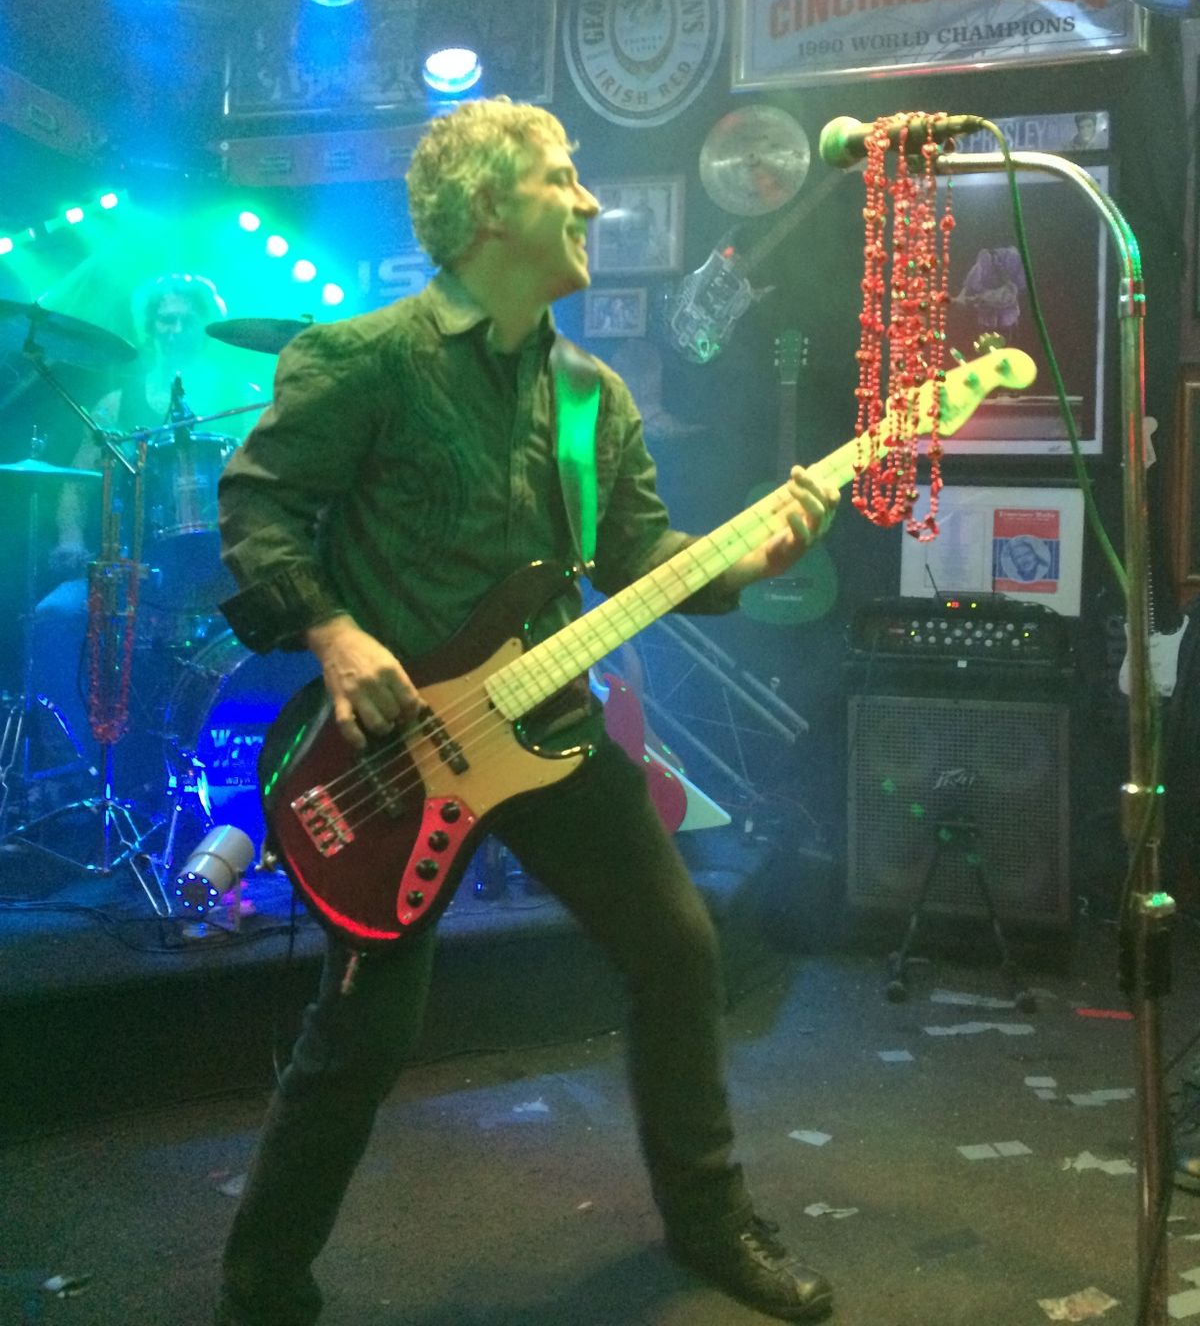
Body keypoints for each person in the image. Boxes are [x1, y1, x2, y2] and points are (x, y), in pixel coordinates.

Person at [212, 97, 839, 1326]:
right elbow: (259, 504)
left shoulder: (592, 395)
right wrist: (333, 632)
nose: (592, 199)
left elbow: (641, 556)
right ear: (487, 207)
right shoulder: (364, 357)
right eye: (563, 177)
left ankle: (711, 1221)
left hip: (549, 729)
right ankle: (261, 1288)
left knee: (679, 949)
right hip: (398, 753)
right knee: (362, 1037)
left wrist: (746, 559)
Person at [31, 273, 257, 760]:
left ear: (204, 325)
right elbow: (77, 480)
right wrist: (70, 537)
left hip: (220, 563)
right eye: (164, 319)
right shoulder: (115, 402)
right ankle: (76, 759)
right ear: (150, 326)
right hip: (129, 564)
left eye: (185, 320)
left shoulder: (241, 396)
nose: (173, 329)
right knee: (55, 614)